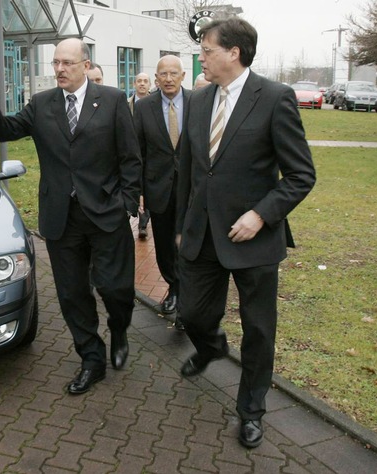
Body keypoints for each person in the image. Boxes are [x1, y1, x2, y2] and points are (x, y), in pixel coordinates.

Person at [0, 38, 141, 395]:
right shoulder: (42, 103)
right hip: (62, 216)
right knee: (72, 293)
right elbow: (5, 131)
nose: (59, 69)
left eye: (67, 62)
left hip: (106, 212)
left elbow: (130, 157)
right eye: (56, 63)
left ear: (85, 64)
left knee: (115, 287)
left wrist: (128, 202)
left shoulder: (111, 100)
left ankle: (119, 329)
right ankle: (91, 359)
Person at [175, 18, 316, 449]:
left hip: (253, 238)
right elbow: (188, 170)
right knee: (194, 315)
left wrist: (261, 214)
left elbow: (300, 174)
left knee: (258, 331)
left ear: (234, 52)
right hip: (202, 234)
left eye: (207, 49)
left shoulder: (275, 98)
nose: (201, 56)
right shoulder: (199, 101)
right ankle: (212, 345)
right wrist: (182, 226)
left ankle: (251, 410)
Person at [133, 55, 188, 323]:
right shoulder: (144, 108)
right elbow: (138, 151)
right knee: (165, 245)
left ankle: (186, 291)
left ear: (182, 76)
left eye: (173, 73)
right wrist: (140, 189)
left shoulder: (198, 103)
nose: (168, 79)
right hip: (158, 188)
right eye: (163, 74)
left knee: (188, 242)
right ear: (156, 78)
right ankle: (174, 288)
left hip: (192, 189)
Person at [127, 72, 152, 239]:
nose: (142, 84)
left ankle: (143, 224)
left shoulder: (155, 104)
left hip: (149, 154)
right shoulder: (124, 104)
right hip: (130, 152)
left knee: (147, 189)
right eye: (139, 81)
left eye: (145, 81)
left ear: (150, 84)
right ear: (134, 84)